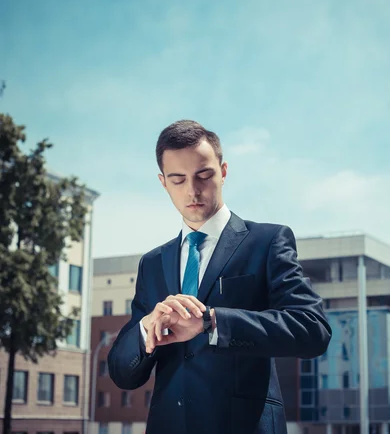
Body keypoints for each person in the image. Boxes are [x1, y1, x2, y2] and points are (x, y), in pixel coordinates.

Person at [107, 120, 332, 434]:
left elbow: (313, 329)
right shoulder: (152, 264)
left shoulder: (268, 242)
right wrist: (146, 330)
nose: (192, 190)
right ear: (163, 183)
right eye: (178, 179)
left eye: (204, 175)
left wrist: (212, 322)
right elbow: (122, 373)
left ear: (223, 171)